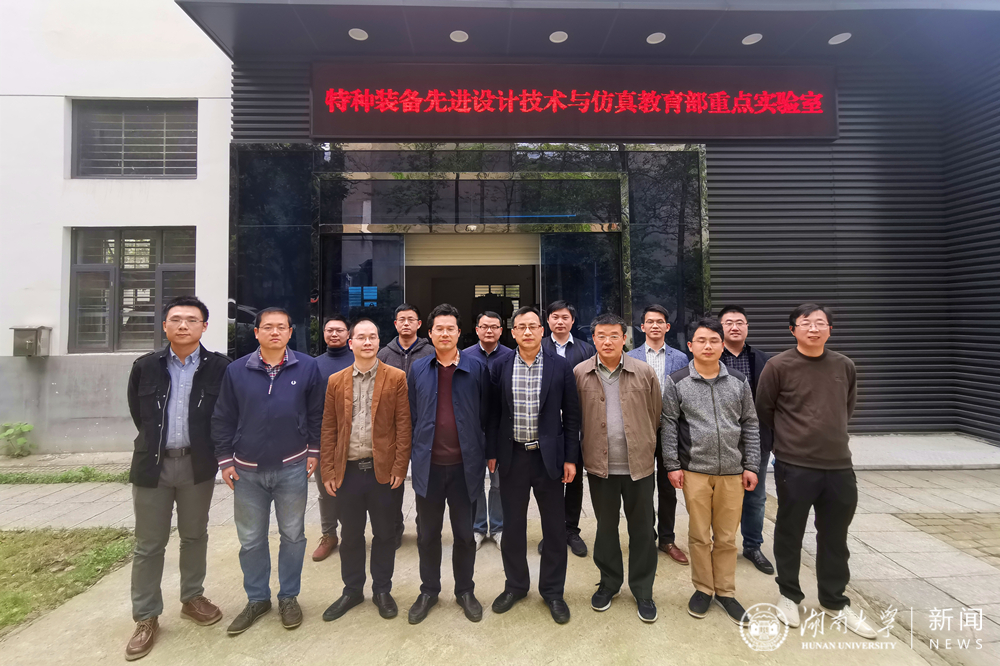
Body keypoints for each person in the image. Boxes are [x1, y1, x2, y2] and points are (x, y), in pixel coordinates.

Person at [756, 304, 878, 639]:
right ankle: (788, 595)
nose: (813, 328)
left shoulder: (844, 365)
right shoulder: (778, 365)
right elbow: (765, 409)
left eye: (820, 323)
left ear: (829, 329)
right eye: (806, 323)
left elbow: (846, 407)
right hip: (795, 465)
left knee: (835, 536)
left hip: (839, 465)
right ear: (792, 329)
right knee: (790, 531)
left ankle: (834, 600)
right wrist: (790, 440)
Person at [124, 296, 230, 661]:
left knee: (194, 534)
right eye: (176, 319)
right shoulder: (145, 366)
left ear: (204, 326)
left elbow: (224, 414)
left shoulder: (219, 367)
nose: (183, 325)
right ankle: (146, 616)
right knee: (149, 544)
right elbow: (139, 414)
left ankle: (192, 597)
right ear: (165, 325)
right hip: (152, 465)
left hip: (197, 465)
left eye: (192, 319)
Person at [212, 307, 325, 635]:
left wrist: (314, 450)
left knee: (293, 536)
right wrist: (225, 459)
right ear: (256, 332)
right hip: (246, 471)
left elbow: (316, 413)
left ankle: (289, 596)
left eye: (281, 327)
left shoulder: (308, 367)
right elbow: (223, 416)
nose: (275, 332)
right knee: (250, 540)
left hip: (293, 467)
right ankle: (257, 598)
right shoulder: (236, 370)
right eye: (268, 327)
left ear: (290, 332)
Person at [661, 317, 760, 626]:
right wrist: (672, 465)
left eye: (714, 341)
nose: (708, 346)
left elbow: (750, 423)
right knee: (699, 535)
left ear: (722, 345)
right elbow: (668, 425)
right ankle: (703, 589)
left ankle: (726, 592)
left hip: (733, 471)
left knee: (727, 537)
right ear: (690, 346)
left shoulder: (738, 381)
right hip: (695, 471)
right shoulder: (677, 381)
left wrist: (751, 465)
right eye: (701, 341)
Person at [487, 306, 581, 624]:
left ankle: (553, 591)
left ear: (542, 330)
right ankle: (515, 585)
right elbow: (494, 414)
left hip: (548, 458)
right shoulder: (500, 365)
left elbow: (572, 416)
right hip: (512, 456)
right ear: (512, 333)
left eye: (532, 326)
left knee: (554, 528)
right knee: (513, 527)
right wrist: (491, 452)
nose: (527, 332)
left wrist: (570, 457)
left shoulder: (560, 365)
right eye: (521, 327)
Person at [319, 318, 412, 622]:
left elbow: (403, 426)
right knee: (351, 535)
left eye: (373, 336)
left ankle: (382, 590)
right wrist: (328, 470)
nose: (367, 342)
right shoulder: (336, 381)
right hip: (347, 473)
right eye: (361, 337)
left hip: (381, 472)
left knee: (385, 534)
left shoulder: (396, 378)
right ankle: (352, 590)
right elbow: (329, 428)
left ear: (379, 342)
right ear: (351, 343)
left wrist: (400, 466)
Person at [406, 303, 492, 625]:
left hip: (464, 468)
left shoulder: (476, 368)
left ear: (459, 332)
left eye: (450, 329)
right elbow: (413, 415)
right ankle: (428, 591)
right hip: (428, 468)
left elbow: (485, 415)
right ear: (429, 333)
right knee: (427, 535)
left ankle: (465, 591)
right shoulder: (418, 369)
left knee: (465, 535)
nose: (444, 333)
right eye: (439, 329)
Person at [574, 313, 661, 623]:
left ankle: (643, 590)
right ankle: (609, 583)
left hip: (639, 467)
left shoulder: (644, 372)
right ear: (593, 339)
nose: (607, 341)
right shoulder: (580, 373)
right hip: (601, 469)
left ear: (625, 338)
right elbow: (575, 418)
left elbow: (655, 414)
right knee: (606, 529)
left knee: (642, 531)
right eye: (601, 335)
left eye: (614, 335)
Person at [626, 304, 690, 566]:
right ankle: (644, 537)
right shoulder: (630, 357)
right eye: (650, 321)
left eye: (660, 321)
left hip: (669, 431)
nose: (655, 325)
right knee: (641, 488)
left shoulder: (681, 358)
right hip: (640, 431)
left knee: (668, 487)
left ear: (667, 326)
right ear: (642, 327)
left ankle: (667, 539)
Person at [718, 305, 775, 575]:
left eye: (740, 322)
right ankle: (721, 544)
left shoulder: (764, 360)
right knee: (720, 497)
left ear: (747, 327)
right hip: (720, 440)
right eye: (728, 322)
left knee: (755, 496)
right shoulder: (711, 356)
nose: (734, 327)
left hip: (756, 438)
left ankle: (753, 546)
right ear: (721, 328)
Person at [539, 300, 595, 558]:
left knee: (574, 480)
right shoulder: (538, 347)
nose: (559, 321)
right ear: (547, 320)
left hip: (575, 424)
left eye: (565, 317)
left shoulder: (586, 349)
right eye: (555, 317)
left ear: (572, 320)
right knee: (548, 480)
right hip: (546, 426)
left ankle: (571, 529)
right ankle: (551, 532)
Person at [378, 303, 436, 549]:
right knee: (393, 482)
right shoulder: (383, 354)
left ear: (419, 324)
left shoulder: (431, 352)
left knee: (425, 481)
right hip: (393, 429)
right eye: (401, 319)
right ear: (395, 324)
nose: (406, 323)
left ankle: (425, 529)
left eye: (411, 319)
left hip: (424, 426)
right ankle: (394, 529)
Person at [463, 311, 513, 550]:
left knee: (498, 483)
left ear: (501, 331)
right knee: (474, 483)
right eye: (484, 326)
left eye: (494, 327)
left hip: (502, 431)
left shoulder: (510, 357)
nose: (489, 331)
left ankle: (499, 527)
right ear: (477, 330)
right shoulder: (465, 356)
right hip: (473, 430)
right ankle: (478, 527)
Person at [311, 315, 354, 562]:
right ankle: (329, 534)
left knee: (352, 490)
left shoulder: (359, 361)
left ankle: (351, 534)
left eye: (339, 330)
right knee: (326, 490)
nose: (334, 334)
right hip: (324, 438)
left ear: (348, 334)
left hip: (355, 438)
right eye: (330, 330)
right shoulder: (313, 365)